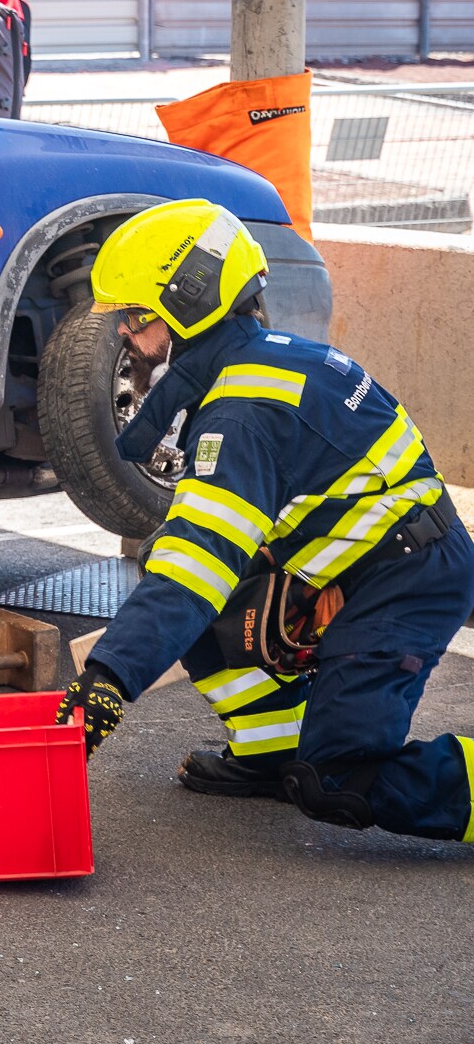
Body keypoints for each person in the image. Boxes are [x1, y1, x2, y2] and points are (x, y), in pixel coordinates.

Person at [58, 199, 474, 845]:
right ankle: (270, 748)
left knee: (335, 775)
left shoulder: (241, 413)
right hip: (375, 561)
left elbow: (193, 573)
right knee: (171, 558)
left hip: (409, 579)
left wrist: (104, 682)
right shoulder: (260, 362)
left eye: (136, 319)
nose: (123, 336)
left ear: (187, 310)